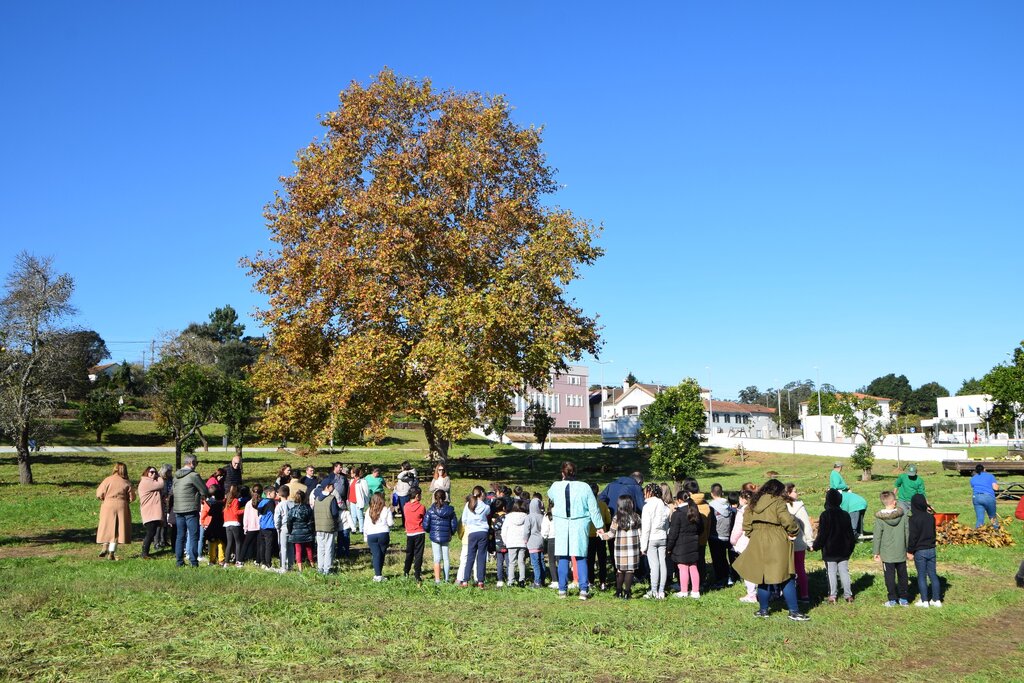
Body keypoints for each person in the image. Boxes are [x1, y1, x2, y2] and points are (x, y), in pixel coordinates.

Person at [732, 479, 810, 621]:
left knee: (762, 577)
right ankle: (794, 611)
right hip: (777, 539)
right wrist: (793, 532)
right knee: (786, 576)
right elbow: (789, 522)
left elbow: (746, 525)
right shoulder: (778, 502)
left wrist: (754, 535)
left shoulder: (753, 502)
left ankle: (763, 610)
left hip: (757, 540)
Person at [548, 461, 606, 600]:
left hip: (562, 523)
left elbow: (550, 495)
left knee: (563, 556)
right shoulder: (584, 487)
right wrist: (599, 526)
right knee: (580, 557)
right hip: (580, 523)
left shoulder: (555, 486)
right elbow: (593, 508)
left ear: (563, 473)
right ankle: (583, 590)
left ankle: (562, 589)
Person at [813, 489, 856, 603]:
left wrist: (816, 546)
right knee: (844, 571)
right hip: (844, 549)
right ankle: (848, 595)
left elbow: (822, 534)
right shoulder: (845, 515)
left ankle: (833, 596)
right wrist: (851, 547)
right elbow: (850, 534)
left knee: (831, 572)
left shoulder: (825, 515)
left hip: (830, 549)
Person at [597, 495, 642, 599]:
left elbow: (611, 534)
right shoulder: (636, 517)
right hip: (633, 548)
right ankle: (627, 592)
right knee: (630, 570)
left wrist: (601, 535)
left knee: (620, 570)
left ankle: (618, 591)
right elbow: (640, 533)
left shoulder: (617, 518)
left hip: (620, 549)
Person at [873, 491, 910, 607]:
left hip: (887, 553)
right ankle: (903, 598)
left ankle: (892, 599)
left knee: (889, 576)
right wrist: (908, 548)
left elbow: (877, 536)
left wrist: (876, 552)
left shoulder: (880, 519)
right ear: (894, 502)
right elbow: (907, 532)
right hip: (901, 551)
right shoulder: (903, 515)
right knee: (903, 575)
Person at [172, 455, 209, 567]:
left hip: (178, 509)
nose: (196, 465)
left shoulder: (176, 476)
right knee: (193, 535)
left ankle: (179, 561)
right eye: (196, 463)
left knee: (180, 536)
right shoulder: (193, 476)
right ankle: (193, 562)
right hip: (191, 509)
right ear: (192, 463)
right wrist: (201, 494)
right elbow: (204, 490)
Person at [667, 491, 704, 598]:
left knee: (683, 568)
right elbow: (701, 528)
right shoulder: (695, 511)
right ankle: (696, 591)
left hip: (681, 546)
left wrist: (669, 547)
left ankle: (684, 591)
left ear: (679, 500)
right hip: (694, 544)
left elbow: (673, 533)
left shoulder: (677, 514)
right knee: (693, 567)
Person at [96, 462, 135, 561]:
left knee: (107, 527)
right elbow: (132, 497)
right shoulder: (126, 482)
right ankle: (111, 553)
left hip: (108, 505)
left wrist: (105, 498)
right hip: (121, 506)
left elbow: (99, 494)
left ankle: (105, 546)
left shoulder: (107, 480)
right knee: (117, 530)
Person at [908, 493, 941, 607]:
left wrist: (910, 551)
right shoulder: (931, 517)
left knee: (921, 575)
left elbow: (913, 537)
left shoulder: (913, 519)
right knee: (933, 574)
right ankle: (936, 600)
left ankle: (924, 600)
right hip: (931, 549)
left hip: (920, 550)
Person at [785, 483, 815, 603]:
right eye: (795, 491)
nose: (797, 493)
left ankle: (787, 594)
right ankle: (804, 594)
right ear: (788, 493)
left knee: (787, 570)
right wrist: (809, 541)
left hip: (785, 543)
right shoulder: (799, 507)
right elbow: (806, 525)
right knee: (800, 569)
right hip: (798, 542)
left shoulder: (780, 507)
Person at [640, 482, 670, 599]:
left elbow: (646, 528)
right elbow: (667, 524)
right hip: (662, 537)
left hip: (652, 538)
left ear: (649, 492)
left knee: (654, 566)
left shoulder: (647, 506)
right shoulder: (664, 505)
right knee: (663, 564)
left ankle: (653, 590)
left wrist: (643, 547)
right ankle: (661, 591)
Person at [423, 489, 458, 584]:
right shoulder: (450, 510)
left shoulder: (430, 510)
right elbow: (454, 524)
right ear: (445, 497)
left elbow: (425, 524)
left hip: (434, 536)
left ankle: (437, 580)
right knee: (446, 558)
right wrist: (451, 532)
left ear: (435, 498)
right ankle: (446, 579)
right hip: (446, 536)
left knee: (437, 558)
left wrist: (430, 531)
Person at [729, 490, 758, 603]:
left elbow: (738, 528)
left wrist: (733, 540)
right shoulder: (757, 509)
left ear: (743, 499)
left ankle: (751, 594)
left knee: (747, 568)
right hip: (757, 541)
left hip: (745, 542)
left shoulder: (742, 512)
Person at [460, 487, 491, 588]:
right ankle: (480, 581)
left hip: (472, 532)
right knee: (481, 557)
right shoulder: (486, 506)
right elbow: (488, 513)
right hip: (483, 532)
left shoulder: (468, 505)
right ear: (482, 493)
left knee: (470, 557)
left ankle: (465, 581)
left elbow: (464, 519)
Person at [707, 483, 734, 588]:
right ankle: (729, 577)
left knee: (717, 559)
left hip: (715, 535)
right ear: (721, 493)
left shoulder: (711, 506)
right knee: (724, 558)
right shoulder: (728, 505)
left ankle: (720, 580)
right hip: (727, 535)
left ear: (711, 494)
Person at [587, 482, 612, 591]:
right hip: (601, 535)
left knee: (590, 560)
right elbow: (608, 520)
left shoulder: (585, 505)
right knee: (602, 560)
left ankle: (590, 581)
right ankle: (603, 582)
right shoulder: (602, 504)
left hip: (588, 536)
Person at [364, 492, 394, 582]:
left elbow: (365, 525)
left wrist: (365, 536)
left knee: (376, 554)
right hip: (383, 533)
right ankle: (379, 574)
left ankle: (378, 574)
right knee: (381, 554)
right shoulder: (386, 509)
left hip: (371, 534)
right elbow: (390, 523)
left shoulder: (368, 510)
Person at [502, 498, 530, 587]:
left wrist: (505, 541)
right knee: (521, 562)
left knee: (511, 562)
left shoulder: (508, 517)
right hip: (522, 542)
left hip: (511, 542)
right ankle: (522, 580)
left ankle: (511, 580)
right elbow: (528, 530)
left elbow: (504, 530)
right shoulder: (526, 517)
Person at [313, 480, 339, 575]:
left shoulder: (317, 499)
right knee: (329, 548)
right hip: (329, 526)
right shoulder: (332, 498)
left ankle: (320, 567)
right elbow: (335, 513)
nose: (334, 487)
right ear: (327, 487)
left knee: (320, 548)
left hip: (318, 526)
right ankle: (327, 568)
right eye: (332, 485)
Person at [137, 466, 164, 559]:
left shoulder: (151, 481)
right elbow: (161, 484)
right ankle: (144, 553)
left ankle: (145, 552)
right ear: (146, 473)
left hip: (152, 511)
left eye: (155, 472)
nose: (153, 474)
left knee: (151, 532)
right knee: (150, 532)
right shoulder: (146, 482)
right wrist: (159, 475)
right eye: (151, 472)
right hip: (149, 512)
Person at [287, 490, 315, 572]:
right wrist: (311, 531)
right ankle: (312, 564)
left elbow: (289, 522)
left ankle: (300, 568)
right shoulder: (308, 509)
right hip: (306, 531)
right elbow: (311, 522)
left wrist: (290, 531)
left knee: (298, 550)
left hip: (295, 532)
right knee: (309, 549)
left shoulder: (292, 510)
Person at [402, 486, 426, 582]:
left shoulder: (406, 506)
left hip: (410, 532)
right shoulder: (421, 507)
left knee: (409, 553)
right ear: (417, 496)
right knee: (418, 554)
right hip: (419, 532)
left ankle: (406, 571)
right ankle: (417, 574)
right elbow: (424, 518)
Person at [970, 463, 1000, 528]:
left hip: (976, 497)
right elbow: (995, 488)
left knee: (980, 518)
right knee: (992, 517)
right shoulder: (990, 476)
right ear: (984, 469)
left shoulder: (973, 478)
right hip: (988, 497)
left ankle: (978, 535)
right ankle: (997, 533)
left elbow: (973, 486)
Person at [526, 495, 547, 587]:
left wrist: (525, 540)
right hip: (541, 541)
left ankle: (537, 581)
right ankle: (542, 580)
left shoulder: (529, 517)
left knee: (535, 563)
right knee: (542, 561)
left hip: (532, 541)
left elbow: (526, 530)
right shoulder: (542, 516)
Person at [274, 485, 295, 572]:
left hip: (283, 527)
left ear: (279, 494)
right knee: (291, 547)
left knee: (283, 547)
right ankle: (290, 565)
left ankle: (283, 567)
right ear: (288, 493)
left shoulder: (279, 505)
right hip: (292, 527)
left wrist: (277, 527)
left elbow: (277, 518)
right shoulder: (293, 504)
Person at [203, 486, 226, 566]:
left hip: (211, 526)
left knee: (212, 544)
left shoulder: (208, 503)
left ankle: (212, 560)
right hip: (221, 525)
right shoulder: (222, 503)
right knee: (221, 543)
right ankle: (221, 560)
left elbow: (205, 514)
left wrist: (203, 523)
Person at [223, 484, 245, 566]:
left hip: (227, 524)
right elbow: (236, 512)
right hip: (234, 523)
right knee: (238, 542)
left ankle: (226, 562)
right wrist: (244, 510)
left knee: (229, 543)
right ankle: (238, 561)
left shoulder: (227, 501)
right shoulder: (235, 500)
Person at [257, 486, 278, 569]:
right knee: (269, 546)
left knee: (263, 545)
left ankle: (263, 562)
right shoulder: (271, 502)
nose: (275, 494)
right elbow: (274, 514)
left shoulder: (262, 502)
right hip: (269, 526)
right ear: (269, 493)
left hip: (262, 526)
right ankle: (268, 564)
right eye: (274, 492)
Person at [241, 483, 263, 563]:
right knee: (259, 545)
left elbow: (245, 517)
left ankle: (240, 560)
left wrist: (245, 527)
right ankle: (258, 561)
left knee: (246, 544)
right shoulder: (263, 502)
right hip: (261, 526)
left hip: (251, 527)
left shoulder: (248, 503)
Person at [348, 467, 368, 534]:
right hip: (352, 500)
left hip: (358, 501)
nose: (351, 474)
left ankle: (361, 529)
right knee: (353, 516)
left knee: (360, 516)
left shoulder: (362, 481)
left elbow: (366, 492)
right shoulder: (351, 481)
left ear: (355, 473)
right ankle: (353, 529)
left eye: (352, 473)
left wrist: (365, 500)